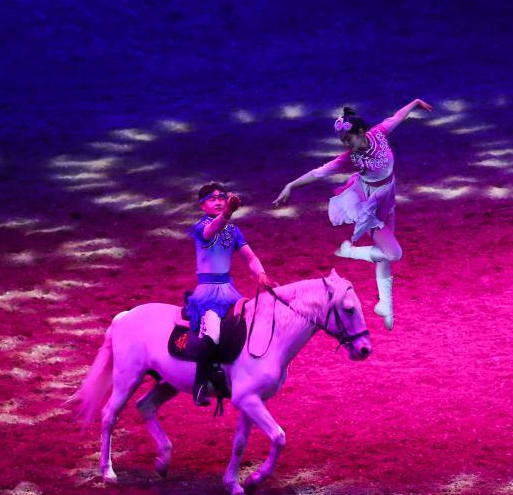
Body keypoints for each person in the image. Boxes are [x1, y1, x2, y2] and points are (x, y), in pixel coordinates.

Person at [272, 99, 433, 330]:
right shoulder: (351, 157)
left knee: (385, 256)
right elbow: (319, 172)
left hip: (387, 198)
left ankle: (385, 303)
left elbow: (397, 117)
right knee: (394, 253)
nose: (346, 144)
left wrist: (415, 103)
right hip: (368, 205)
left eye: (348, 139)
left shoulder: (379, 134)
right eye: (343, 141)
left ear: (360, 132)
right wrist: (291, 185)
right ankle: (350, 251)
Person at [186, 183, 274, 405]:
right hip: (207, 292)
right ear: (202, 206)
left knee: (243, 327)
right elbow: (212, 230)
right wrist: (226, 213)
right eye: (212, 199)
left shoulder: (233, 231)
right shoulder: (201, 228)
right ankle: (199, 385)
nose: (217, 202)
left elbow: (250, 257)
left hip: (228, 290)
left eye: (221, 198)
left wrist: (261, 274)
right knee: (213, 332)